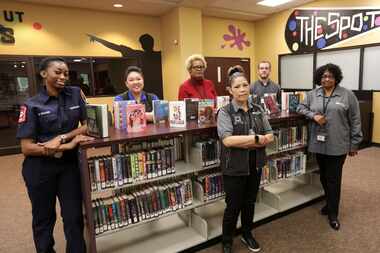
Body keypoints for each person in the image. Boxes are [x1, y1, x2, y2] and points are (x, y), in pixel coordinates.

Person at [16, 57, 94, 253]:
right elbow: (27, 147)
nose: (63, 77)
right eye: (57, 72)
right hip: (40, 168)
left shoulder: (75, 94)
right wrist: (67, 146)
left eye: (66, 73)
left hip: (69, 167)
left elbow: (88, 124)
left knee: (73, 216)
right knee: (44, 218)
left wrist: (62, 137)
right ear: (44, 74)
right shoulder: (31, 105)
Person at [297, 63, 362, 231]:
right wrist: (313, 116)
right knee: (324, 177)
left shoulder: (347, 95)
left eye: (330, 76)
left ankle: (333, 214)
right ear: (319, 78)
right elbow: (300, 107)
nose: (326, 79)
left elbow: (355, 120)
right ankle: (329, 203)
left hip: (338, 145)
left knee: (334, 179)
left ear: (336, 78)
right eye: (324, 76)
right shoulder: (313, 94)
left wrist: (354, 143)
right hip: (318, 144)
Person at [217, 66, 274, 253]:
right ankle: (227, 240)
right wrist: (256, 139)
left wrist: (250, 141)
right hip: (234, 166)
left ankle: (247, 233)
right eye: (237, 86)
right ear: (230, 90)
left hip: (255, 164)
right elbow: (227, 140)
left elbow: (270, 135)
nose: (242, 89)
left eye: (245, 85)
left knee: (250, 202)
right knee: (233, 205)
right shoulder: (225, 112)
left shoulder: (258, 109)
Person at [87, 33, 163, 98]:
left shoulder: (140, 55)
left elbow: (114, 46)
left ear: (142, 45)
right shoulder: (158, 55)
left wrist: (97, 39)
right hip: (152, 90)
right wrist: (97, 39)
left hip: (152, 90)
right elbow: (115, 46)